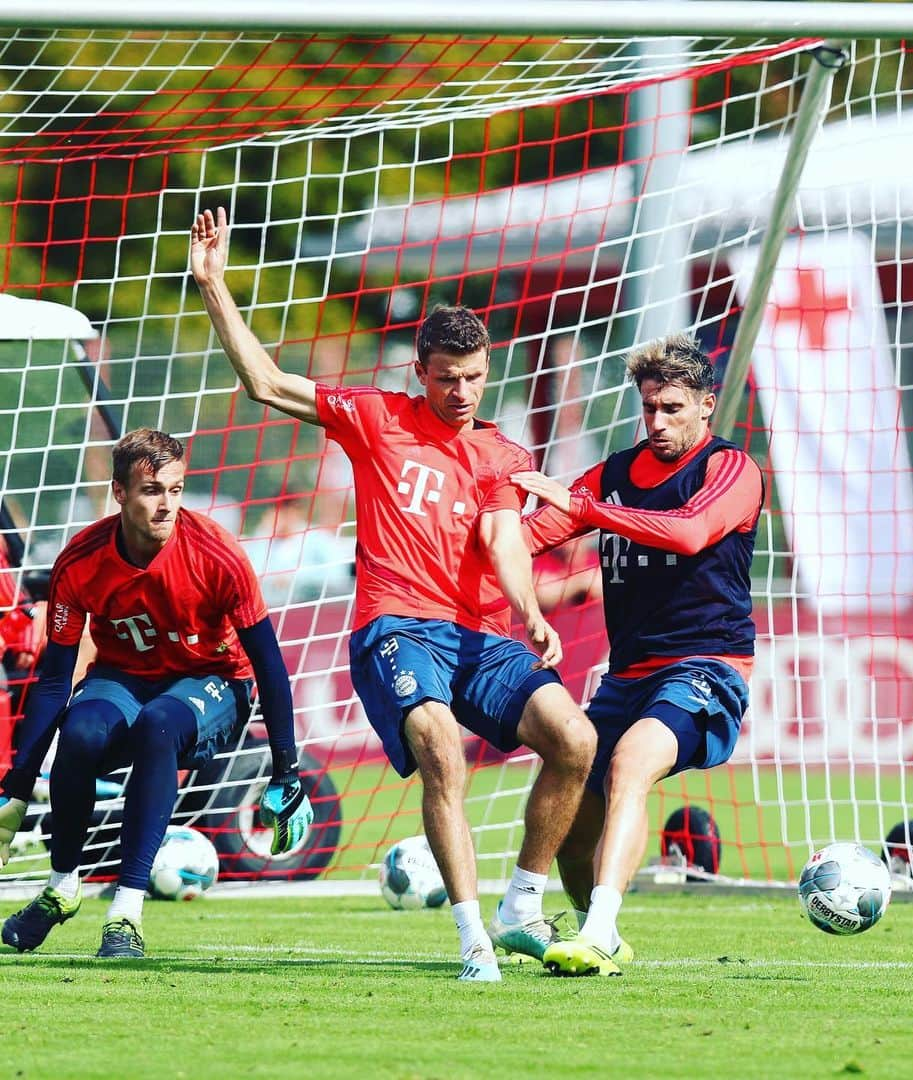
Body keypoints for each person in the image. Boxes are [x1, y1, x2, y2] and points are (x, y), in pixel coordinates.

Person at [190, 207, 596, 982]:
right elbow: (265, 382)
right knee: (443, 751)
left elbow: (506, 539)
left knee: (575, 742)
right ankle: (474, 938)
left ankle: (521, 905)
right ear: (421, 372)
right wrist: (214, 286)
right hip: (397, 628)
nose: (462, 392)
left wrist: (534, 611)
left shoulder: (501, 452)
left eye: (475, 377)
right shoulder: (378, 418)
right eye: (447, 379)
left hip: (476, 634)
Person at [0, 429, 313, 958]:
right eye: (151, 490)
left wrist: (286, 770)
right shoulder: (79, 561)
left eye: (175, 488)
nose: (166, 505)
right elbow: (55, 682)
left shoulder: (218, 554)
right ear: (119, 492)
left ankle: (126, 912)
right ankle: (61, 888)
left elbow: (268, 666)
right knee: (79, 730)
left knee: (159, 725)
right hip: (125, 678)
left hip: (214, 683)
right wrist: (16, 786)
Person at [513, 332, 764, 976]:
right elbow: (530, 536)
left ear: (707, 405)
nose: (657, 421)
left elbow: (686, 532)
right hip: (629, 675)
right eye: (648, 407)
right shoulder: (614, 475)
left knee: (629, 765)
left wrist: (589, 509)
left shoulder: (730, 469)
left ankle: (599, 931)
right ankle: (592, 932)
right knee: (571, 814)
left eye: (672, 408)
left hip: (706, 666)